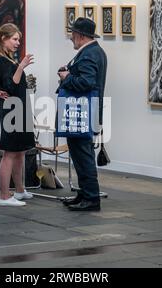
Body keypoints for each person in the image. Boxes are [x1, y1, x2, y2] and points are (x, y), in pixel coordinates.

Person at [57, 17, 107, 212]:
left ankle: (91, 198)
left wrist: (67, 77)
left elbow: (86, 83)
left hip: (82, 112)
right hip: (87, 111)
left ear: (78, 35)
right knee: (80, 155)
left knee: (83, 156)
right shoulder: (95, 52)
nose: (71, 38)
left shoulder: (88, 55)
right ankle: (85, 193)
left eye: (72, 35)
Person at [0, 23, 35, 207]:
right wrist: (21, 67)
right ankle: (4, 195)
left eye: (19, 40)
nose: (18, 43)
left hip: (19, 107)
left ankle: (20, 189)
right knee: (9, 152)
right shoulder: (0, 59)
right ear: (4, 39)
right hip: (12, 109)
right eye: (15, 39)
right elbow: (10, 85)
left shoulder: (6, 58)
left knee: (20, 151)